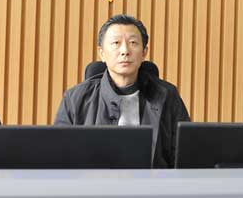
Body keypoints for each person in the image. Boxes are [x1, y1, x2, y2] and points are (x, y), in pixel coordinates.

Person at [54, 14, 190, 168]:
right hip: (93, 182)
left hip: (153, 182)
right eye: (116, 43)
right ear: (102, 53)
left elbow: (184, 155)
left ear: (144, 52)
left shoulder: (167, 95)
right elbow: (60, 158)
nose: (125, 50)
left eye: (133, 43)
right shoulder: (76, 99)